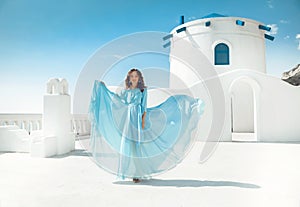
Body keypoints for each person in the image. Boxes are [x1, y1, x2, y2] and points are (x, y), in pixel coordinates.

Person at [88, 68, 205, 183]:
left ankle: (137, 173)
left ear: (139, 78)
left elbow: (143, 107)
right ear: (129, 78)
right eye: (132, 76)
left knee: (137, 146)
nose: (134, 78)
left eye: (136, 76)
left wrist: (142, 121)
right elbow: (117, 100)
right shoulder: (125, 91)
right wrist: (103, 89)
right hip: (127, 119)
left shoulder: (143, 90)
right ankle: (128, 171)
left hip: (137, 117)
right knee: (127, 145)